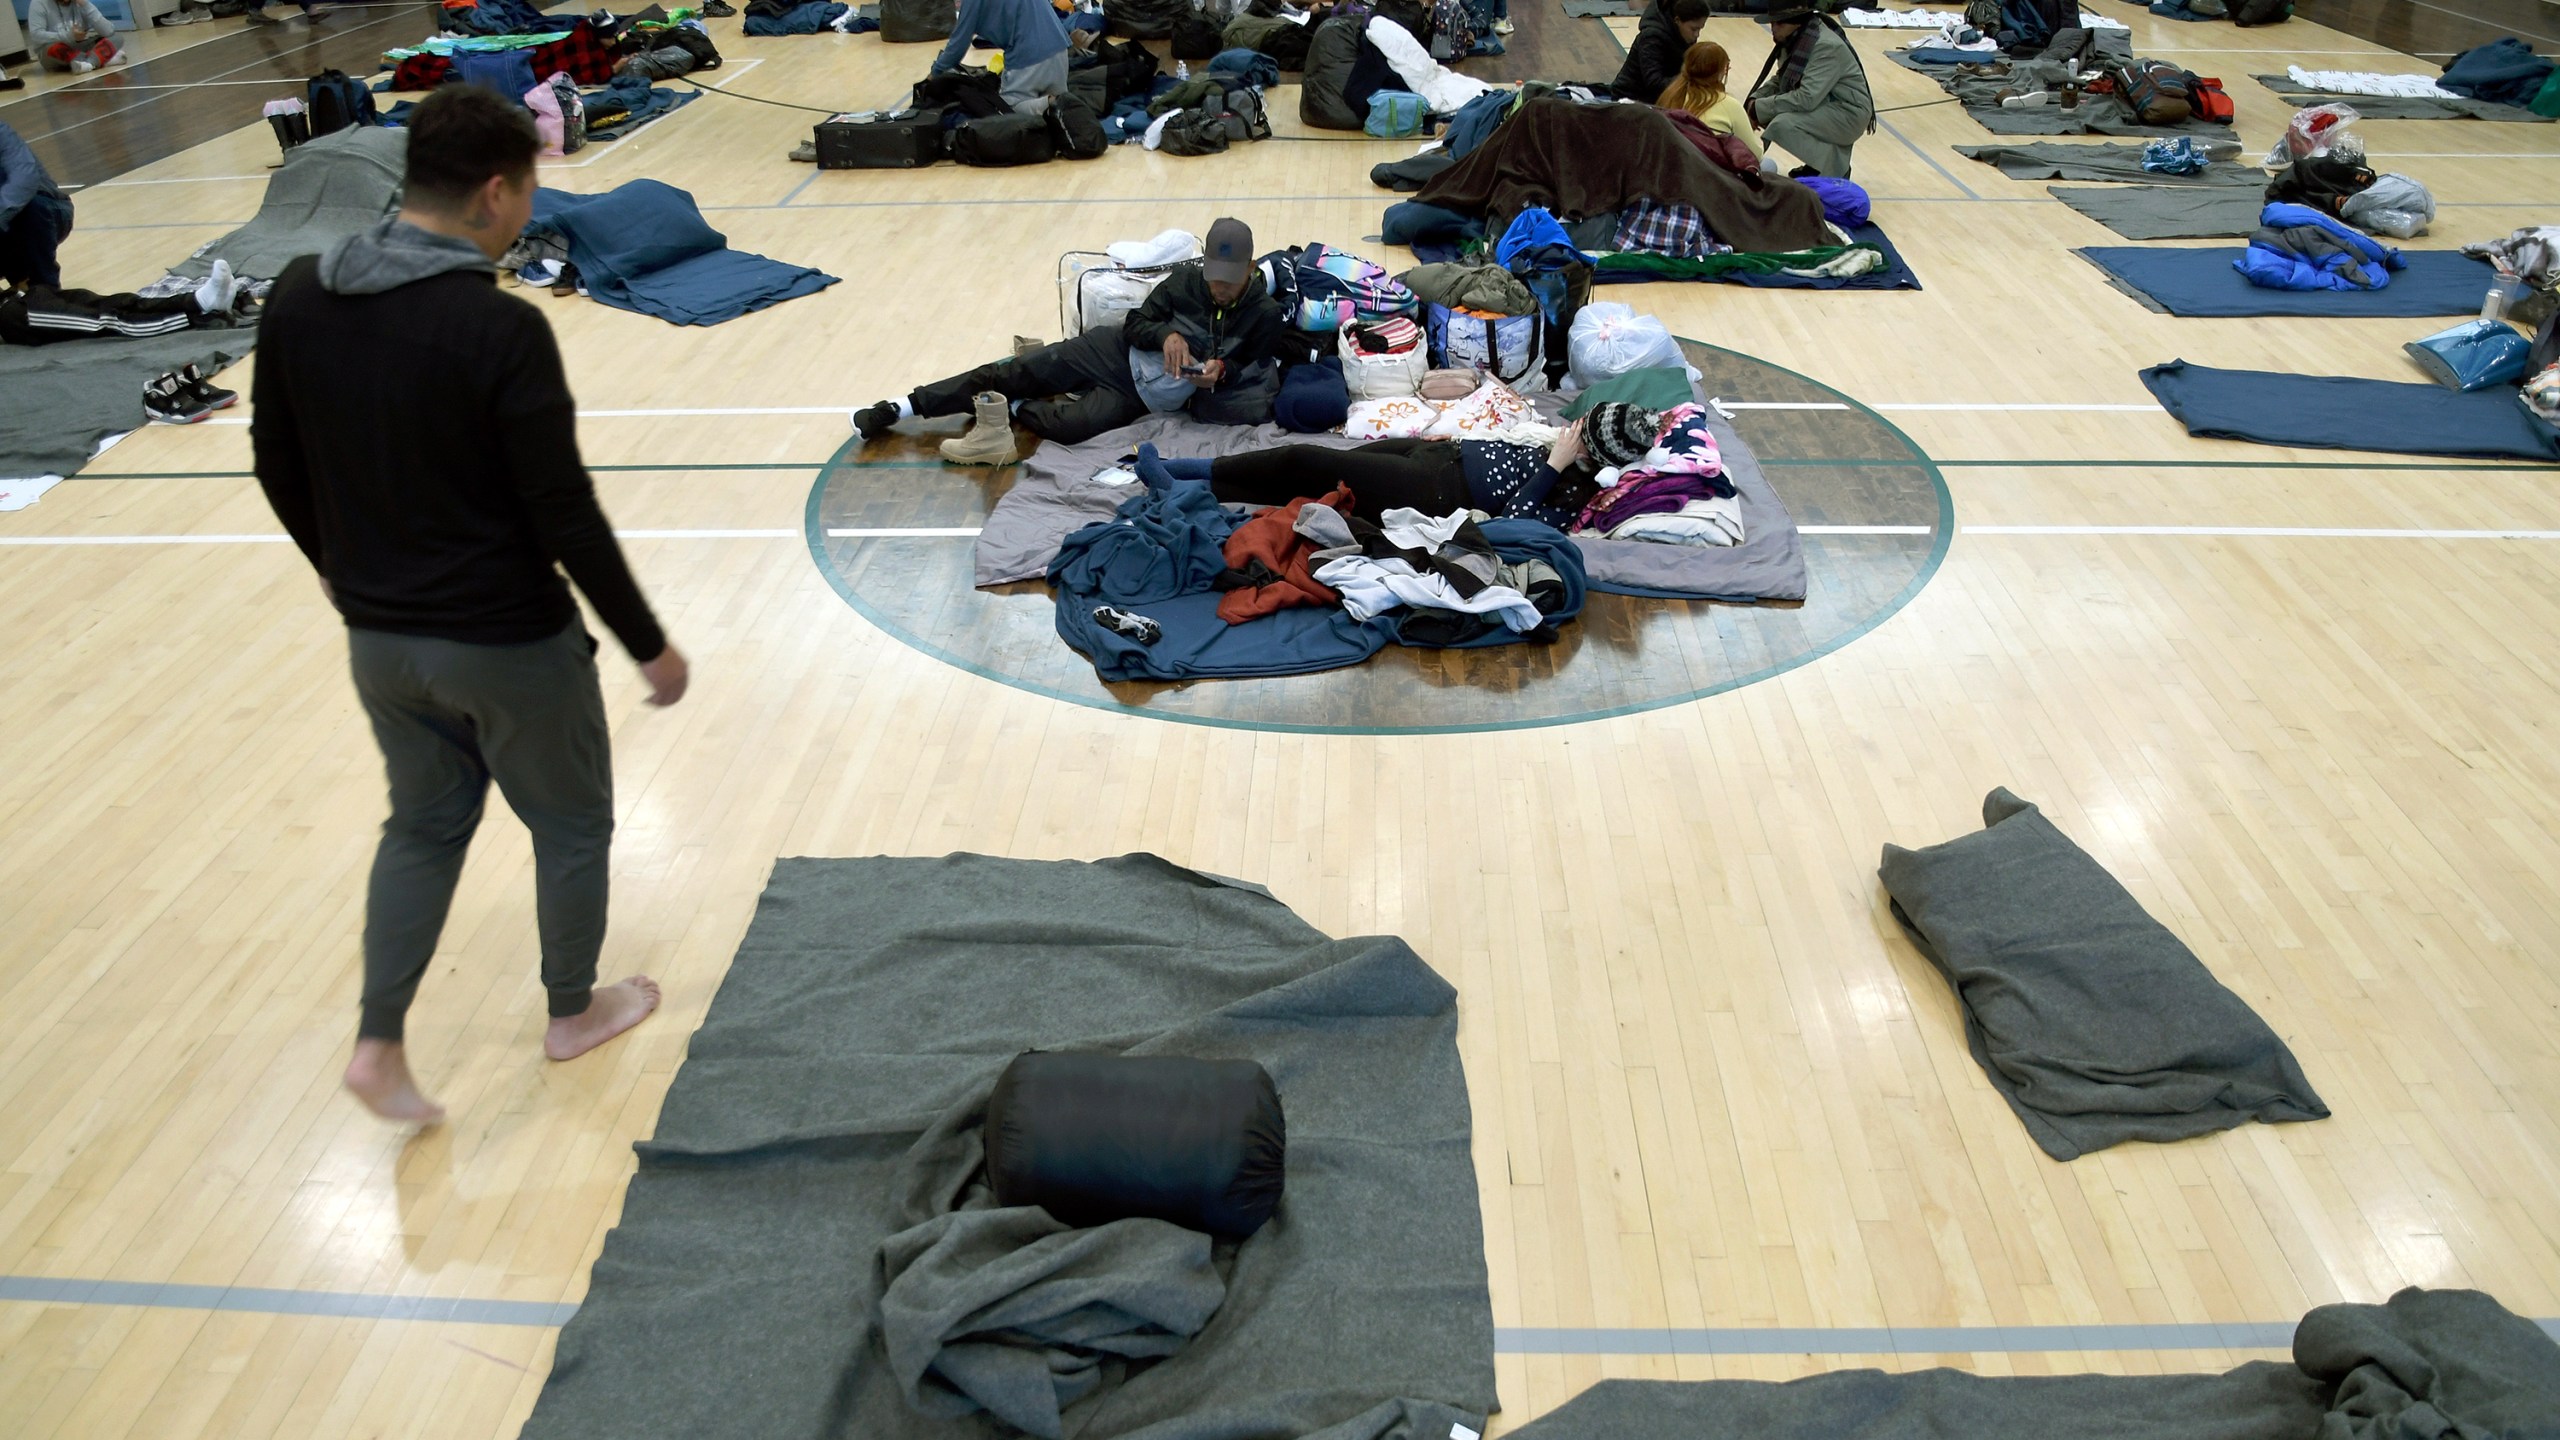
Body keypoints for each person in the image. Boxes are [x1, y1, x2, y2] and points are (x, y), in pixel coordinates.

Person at [251, 87, 686, 1127]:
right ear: (496, 193)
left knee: (423, 829)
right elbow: (561, 511)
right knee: (571, 823)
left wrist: (336, 565)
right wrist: (646, 645)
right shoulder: (498, 328)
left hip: (381, 645)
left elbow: (274, 460)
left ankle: (378, 1044)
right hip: (506, 644)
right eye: (530, 190)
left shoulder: (302, 293)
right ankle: (573, 1014)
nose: (531, 210)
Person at [853, 216, 1285, 464]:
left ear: (1250, 268)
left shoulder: (1263, 315)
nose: (1219, 289)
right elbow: (1137, 323)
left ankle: (1012, 404)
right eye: (1214, 278)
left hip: (1148, 399)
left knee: (1071, 427)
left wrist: (1221, 374)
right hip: (1114, 353)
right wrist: (1166, 334)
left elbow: (1252, 370)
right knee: (1016, 371)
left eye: (1229, 282)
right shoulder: (1187, 280)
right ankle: (904, 405)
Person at [1744, 0, 1874, 178]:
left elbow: (1806, 98)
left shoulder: (1825, 46)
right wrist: (1752, 102)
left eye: (1779, 22)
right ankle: (1819, 166)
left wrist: (1758, 109)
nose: (1773, 27)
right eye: (1772, 22)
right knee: (1776, 112)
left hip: (1849, 113)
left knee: (1782, 124)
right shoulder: (1798, 38)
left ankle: (1833, 169)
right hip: (1829, 103)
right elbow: (1781, 80)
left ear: (1797, 22)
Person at [932, 0, 1072, 116]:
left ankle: (1052, 102)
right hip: (1060, 47)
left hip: (1028, 57)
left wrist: (935, 73)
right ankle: (1058, 101)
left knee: (1006, 109)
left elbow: (958, 45)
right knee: (1060, 116)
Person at [1658, 40, 1764, 160]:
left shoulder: (1670, 94)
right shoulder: (1729, 105)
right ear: (1722, 71)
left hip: (1672, 166)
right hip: (1710, 174)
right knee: (1769, 164)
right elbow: (1755, 155)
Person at [0, 121, 73, 290]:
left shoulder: (1, 133)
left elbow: (24, 179)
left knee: (30, 207)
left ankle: (43, 289)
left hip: (49, 211)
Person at [1609, 0, 1708, 103]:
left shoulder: (1685, 34)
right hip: (1631, 98)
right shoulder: (1651, 37)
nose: (1697, 34)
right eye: (1694, 29)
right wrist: (1691, 79)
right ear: (1677, 21)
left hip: (1658, 96)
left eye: (1700, 29)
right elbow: (1654, 83)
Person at [27, 0, 123, 70]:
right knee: (52, 48)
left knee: (116, 38)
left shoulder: (80, 4)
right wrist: (69, 36)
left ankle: (88, 64)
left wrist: (86, 5)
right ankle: (100, 59)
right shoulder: (38, 3)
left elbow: (108, 31)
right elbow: (36, 35)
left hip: (78, 46)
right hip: (54, 50)